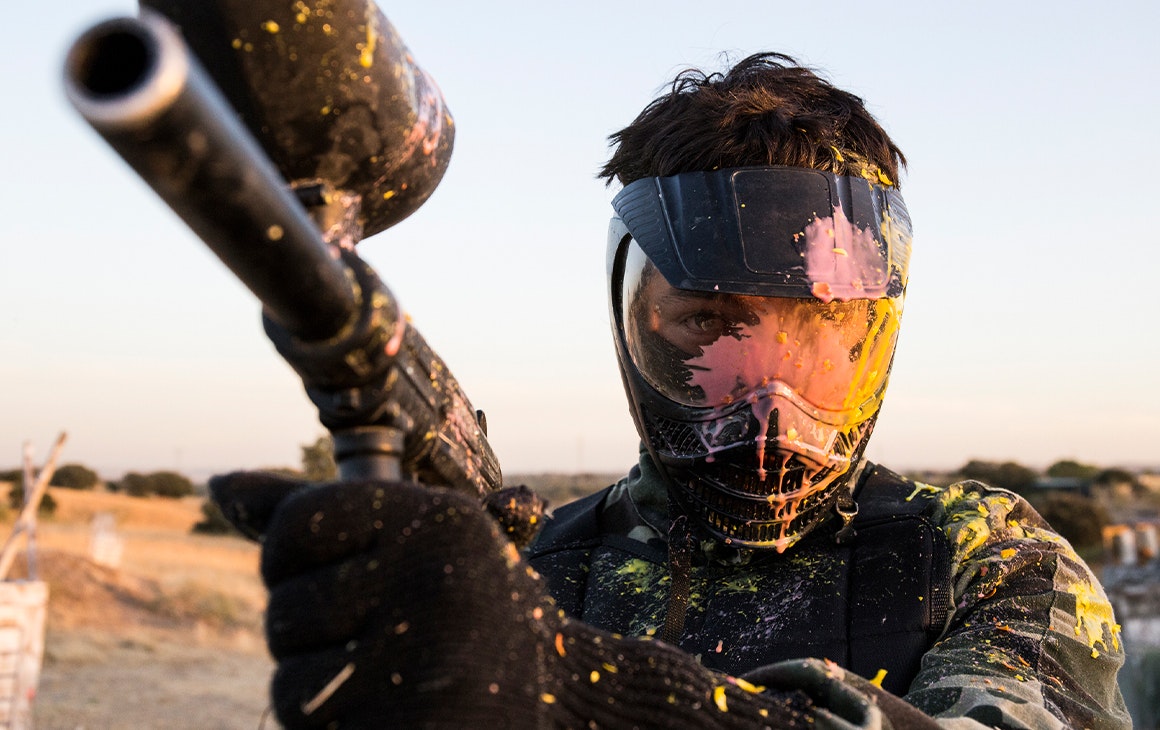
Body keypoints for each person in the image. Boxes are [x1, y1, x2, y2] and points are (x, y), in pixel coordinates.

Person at [211, 53, 1131, 728]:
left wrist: (573, 690)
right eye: (710, 326)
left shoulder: (987, 558)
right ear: (635, 319)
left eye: (818, 330)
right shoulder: (530, 575)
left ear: (874, 332)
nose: (769, 400)